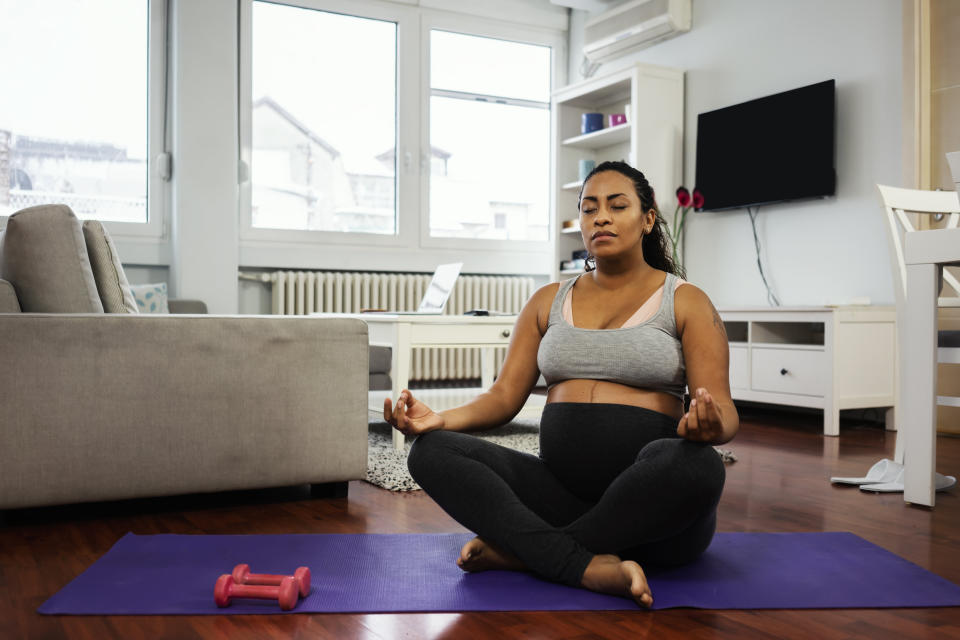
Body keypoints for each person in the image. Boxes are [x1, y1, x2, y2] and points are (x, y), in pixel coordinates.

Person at [383, 161, 738, 608]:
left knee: (698, 464)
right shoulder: (548, 301)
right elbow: (502, 397)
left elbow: (724, 413)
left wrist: (708, 426)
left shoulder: (684, 299)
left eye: (617, 205)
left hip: (655, 520)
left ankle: (529, 554)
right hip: (561, 498)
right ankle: (583, 563)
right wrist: (439, 419)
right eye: (589, 209)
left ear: (648, 219)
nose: (601, 218)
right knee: (433, 450)